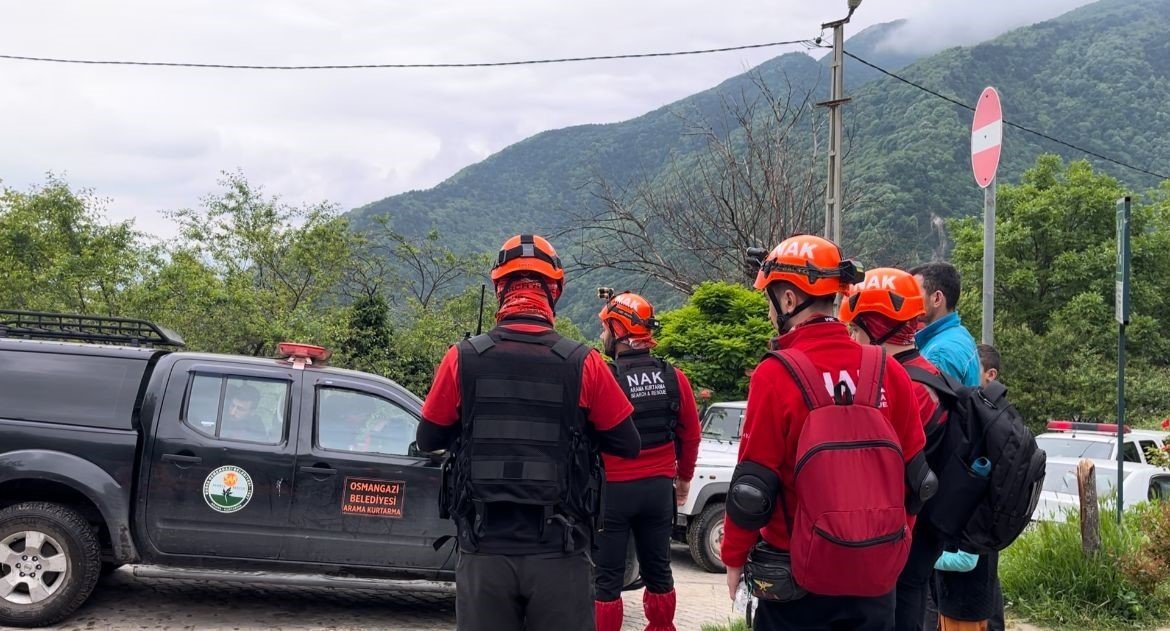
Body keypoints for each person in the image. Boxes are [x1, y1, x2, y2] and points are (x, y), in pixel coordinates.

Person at [416, 234, 641, 631]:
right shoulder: (584, 363)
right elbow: (628, 443)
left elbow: (428, 439)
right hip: (560, 552)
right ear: (554, 291)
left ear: (500, 288)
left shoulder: (461, 359)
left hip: (484, 549)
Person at [721, 235, 931, 631]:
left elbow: (753, 487)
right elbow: (918, 481)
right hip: (874, 580)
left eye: (770, 300)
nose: (769, 311)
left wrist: (734, 557)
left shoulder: (775, 374)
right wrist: (885, 547)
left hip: (797, 578)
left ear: (788, 300)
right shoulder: (888, 369)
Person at [838, 268, 950, 631]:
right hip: (919, 528)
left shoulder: (902, 384)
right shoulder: (926, 373)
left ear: (877, 327)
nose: (852, 339)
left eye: (856, 329)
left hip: (902, 534)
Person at [593, 291, 701, 631]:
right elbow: (690, 434)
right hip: (658, 491)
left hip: (614, 492)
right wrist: (684, 479)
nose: (602, 335)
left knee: (607, 580)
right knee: (659, 573)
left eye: (605, 328)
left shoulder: (605, 378)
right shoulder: (674, 377)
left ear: (619, 330)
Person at [908, 263, 981, 387]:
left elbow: (929, 398)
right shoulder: (960, 332)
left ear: (937, 298)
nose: (909, 300)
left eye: (915, 294)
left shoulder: (939, 354)